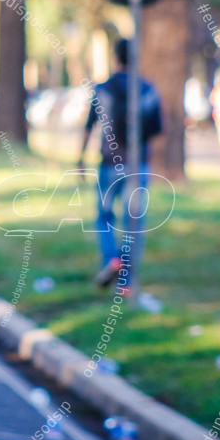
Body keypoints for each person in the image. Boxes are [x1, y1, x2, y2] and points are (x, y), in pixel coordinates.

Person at [77, 38, 162, 291]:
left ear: (116, 57)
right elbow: (155, 129)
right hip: (138, 165)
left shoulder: (103, 89)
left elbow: (88, 126)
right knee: (133, 222)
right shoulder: (147, 89)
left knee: (104, 217)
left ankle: (111, 259)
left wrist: (80, 158)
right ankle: (125, 284)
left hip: (108, 164)